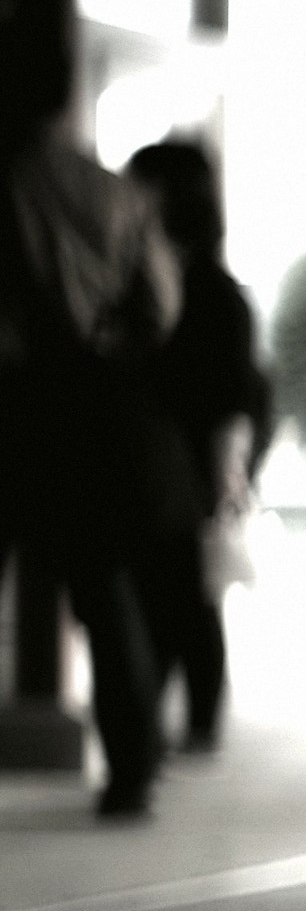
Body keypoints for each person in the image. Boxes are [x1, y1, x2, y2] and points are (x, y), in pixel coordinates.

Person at [0, 112, 182, 819]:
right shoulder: (119, 195)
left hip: (16, 398)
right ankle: (132, 769)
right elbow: (160, 307)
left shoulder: (12, 184)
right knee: (105, 593)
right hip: (96, 406)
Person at [124, 139, 274, 754]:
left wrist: (227, 474)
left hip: (191, 468)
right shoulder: (167, 281)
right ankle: (171, 725)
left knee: (184, 596)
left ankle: (188, 724)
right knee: (175, 596)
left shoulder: (208, 292)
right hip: (167, 465)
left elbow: (233, 399)